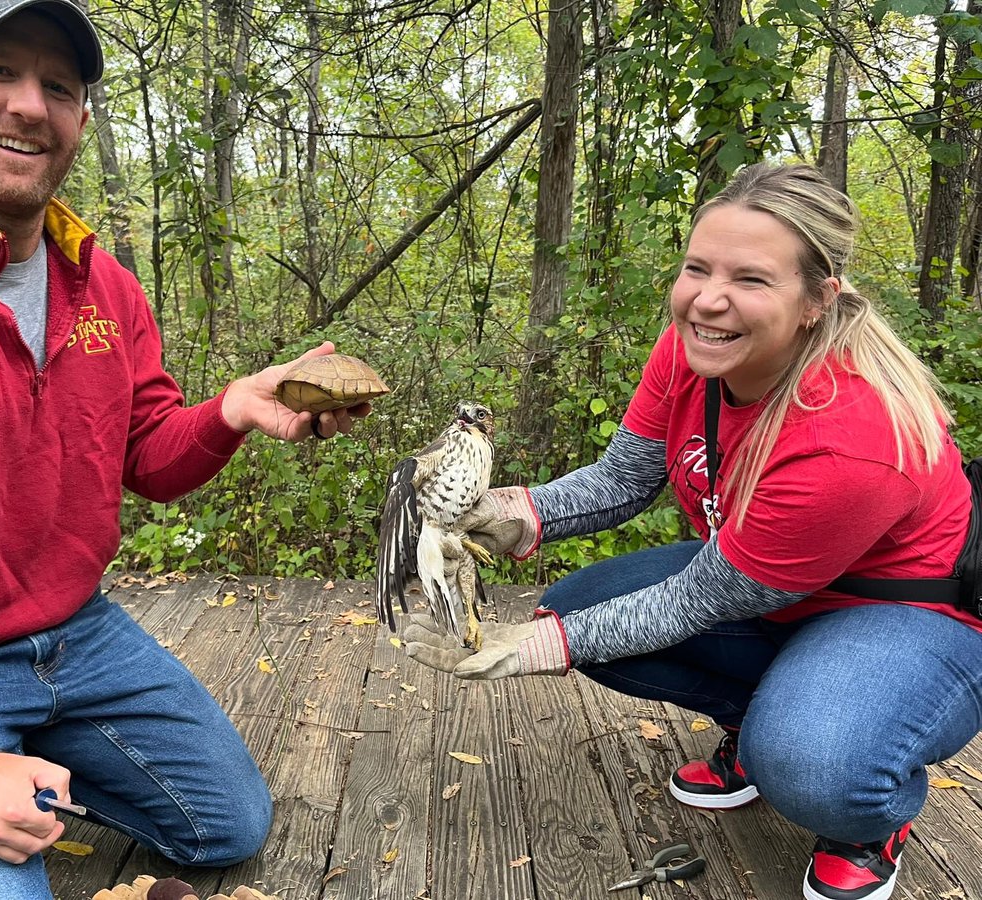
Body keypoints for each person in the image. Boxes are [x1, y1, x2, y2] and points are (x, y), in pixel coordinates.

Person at [0, 0, 368, 897]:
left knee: (229, 825)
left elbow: (149, 457)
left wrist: (233, 411)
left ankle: (41, 745)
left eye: (57, 86)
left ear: (81, 121)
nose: (29, 104)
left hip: (81, 634)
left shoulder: (105, 284)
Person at [404, 163, 982, 900]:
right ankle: (761, 724)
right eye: (697, 268)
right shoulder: (697, 347)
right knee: (576, 608)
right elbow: (623, 480)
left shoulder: (850, 432)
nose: (709, 300)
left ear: (817, 300)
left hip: (903, 616)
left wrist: (533, 648)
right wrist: (511, 512)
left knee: (811, 763)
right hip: (768, 588)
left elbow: (698, 600)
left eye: (751, 279)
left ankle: (865, 814)